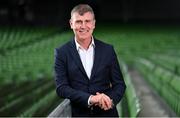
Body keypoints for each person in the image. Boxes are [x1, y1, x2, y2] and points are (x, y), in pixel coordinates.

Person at [54, 4, 126, 117]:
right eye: (78, 22)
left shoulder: (108, 50)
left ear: (93, 24)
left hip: (107, 114)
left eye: (87, 21)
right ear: (71, 24)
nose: (83, 26)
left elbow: (120, 85)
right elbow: (61, 88)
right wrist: (91, 98)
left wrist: (110, 101)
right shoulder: (62, 53)